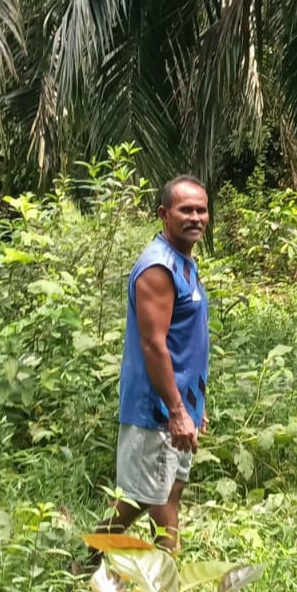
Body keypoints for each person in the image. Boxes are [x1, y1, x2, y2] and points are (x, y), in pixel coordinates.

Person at [99, 175, 212, 552]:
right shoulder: (157, 269)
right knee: (143, 498)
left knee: (168, 491)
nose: (195, 217)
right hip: (157, 408)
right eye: (186, 210)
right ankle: (94, 560)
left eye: (201, 210)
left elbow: (186, 343)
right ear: (164, 214)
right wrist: (177, 410)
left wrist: (195, 405)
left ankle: (156, 567)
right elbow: (153, 344)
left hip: (180, 403)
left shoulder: (183, 262)